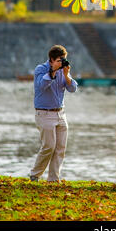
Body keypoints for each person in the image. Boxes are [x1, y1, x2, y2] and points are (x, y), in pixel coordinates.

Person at [30, 44, 78, 182]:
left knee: (60, 148)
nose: (62, 62)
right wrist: (53, 71)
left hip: (60, 114)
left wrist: (66, 75)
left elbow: (73, 88)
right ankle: (35, 174)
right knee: (49, 146)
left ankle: (53, 179)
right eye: (59, 60)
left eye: (63, 59)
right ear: (51, 59)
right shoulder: (40, 69)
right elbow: (42, 86)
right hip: (44, 114)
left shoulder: (64, 71)